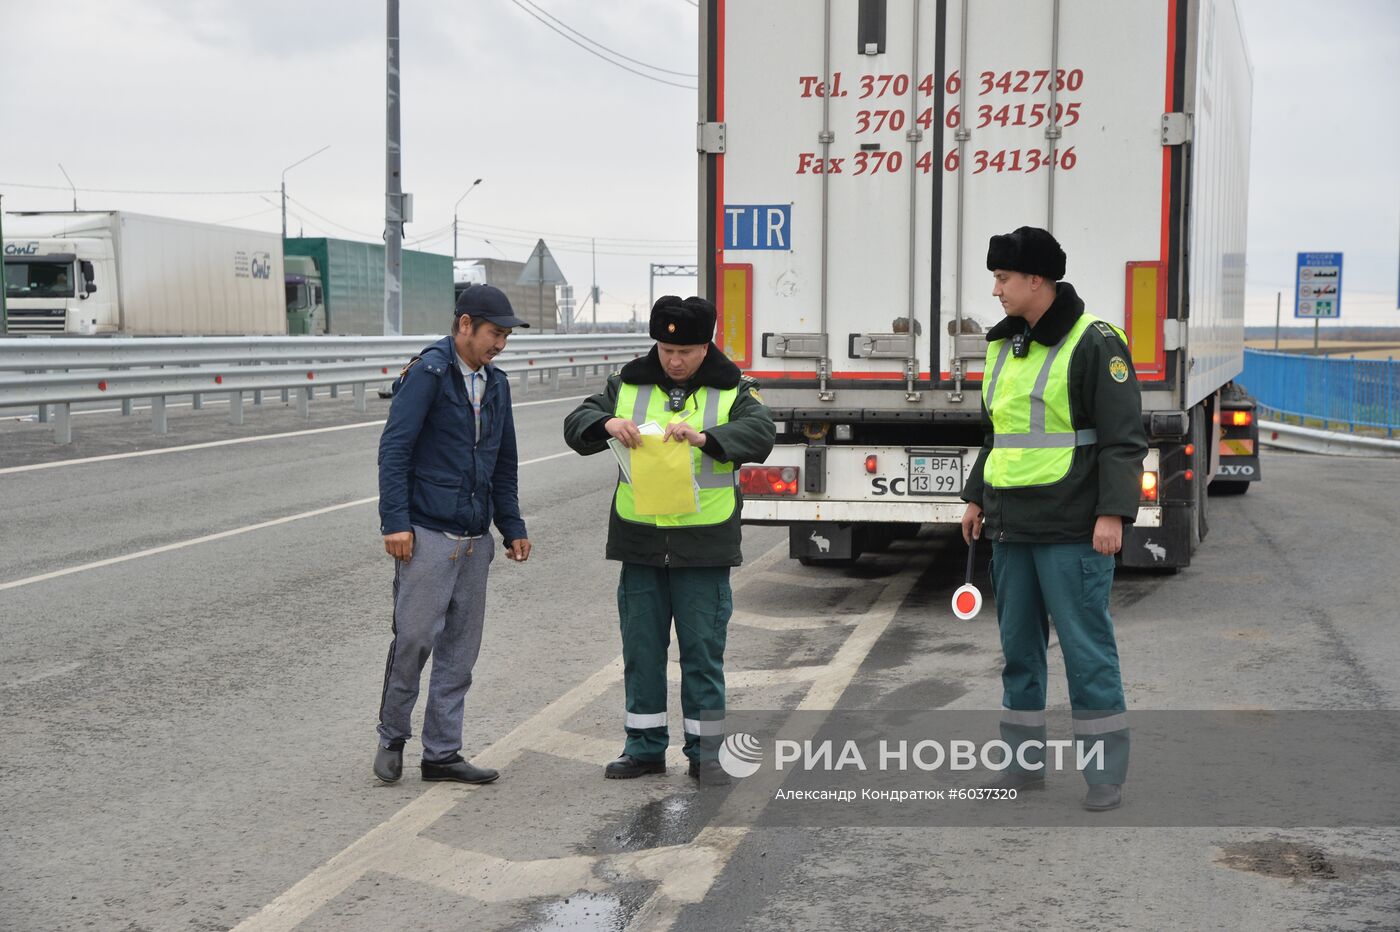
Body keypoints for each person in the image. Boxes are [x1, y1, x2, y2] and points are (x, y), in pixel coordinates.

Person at [959, 227, 1147, 812]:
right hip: (1011, 525)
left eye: (1003, 279)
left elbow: (1122, 439)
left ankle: (1105, 775)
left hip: (1072, 528)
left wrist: (1114, 513)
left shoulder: (1094, 343)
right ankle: (1022, 767)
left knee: (1086, 651)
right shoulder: (1004, 345)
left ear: (1037, 280)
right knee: (1019, 653)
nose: (995, 290)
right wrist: (975, 496)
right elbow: (1001, 434)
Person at [564, 295, 775, 785]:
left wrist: (707, 438)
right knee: (641, 650)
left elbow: (761, 432)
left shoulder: (736, 388)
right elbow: (577, 424)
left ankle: (706, 754)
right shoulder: (626, 384)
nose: (674, 360)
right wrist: (606, 423)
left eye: (687, 351)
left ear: (707, 346)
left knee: (702, 653)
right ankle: (643, 748)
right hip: (640, 543)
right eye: (665, 350)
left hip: (703, 545)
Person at [373, 284, 533, 786]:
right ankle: (392, 736)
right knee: (415, 640)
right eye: (494, 334)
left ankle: (442, 753)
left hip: (474, 538)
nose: (500, 345)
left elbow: (502, 462)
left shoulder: (497, 384)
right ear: (465, 324)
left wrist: (511, 526)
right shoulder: (428, 373)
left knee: (460, 652)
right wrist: (395, 522)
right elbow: (395, 449)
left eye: (505, 336)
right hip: (426, 534)